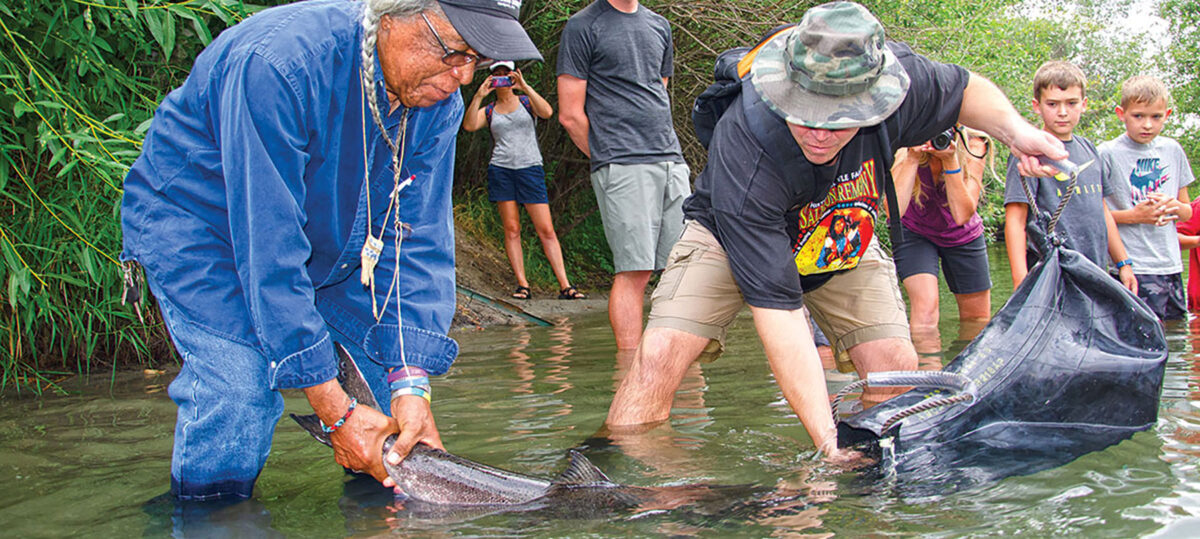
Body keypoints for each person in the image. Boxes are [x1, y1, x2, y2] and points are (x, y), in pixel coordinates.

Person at [604, 1, 1070, 459]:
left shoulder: (903, 80)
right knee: (658, 357)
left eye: (840, 118)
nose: (820, 132)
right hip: (729, 236)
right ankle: (617, 492)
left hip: (841, 230)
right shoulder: (745, 145)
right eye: (805, 111)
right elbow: (782, 316)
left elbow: (965, 90)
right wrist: (825, 441)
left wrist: (1016, 132)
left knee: (895, 370)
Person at [119, 0, 542, 501]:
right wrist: (335, 409)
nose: (463, 76)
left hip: (330, 243)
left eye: (477, 59)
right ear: (392, 14)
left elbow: (418, 241)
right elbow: (269, 249)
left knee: (390, 415)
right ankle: (205, 515)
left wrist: (412, 384)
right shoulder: (278, 65)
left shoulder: (438, 105)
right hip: (205, 232)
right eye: (454, 52)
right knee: (240, 394)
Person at [557, 0, 691, 350]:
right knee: (635, 271)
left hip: (670, 158)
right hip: (622, 162)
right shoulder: (584, 25)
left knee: (684, 268)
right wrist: (610, 156)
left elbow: (655, 91)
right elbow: (570, 114)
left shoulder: (660, 25)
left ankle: (674, 362)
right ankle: (630, 368)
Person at [1003, 61, 1137, 294]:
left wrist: (1123, 263)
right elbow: (1015, 218)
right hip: (1051, 271)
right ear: (1037, 106)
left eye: (1071, 103)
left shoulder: (1090, 149)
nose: (1062, 112)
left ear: (1083, 105)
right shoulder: (1029, 151)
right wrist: (1019, 281)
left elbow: (1102, 210)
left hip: (1095, 268)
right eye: (1053, 104)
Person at [461, 61, 587, 300]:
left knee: (546, 229)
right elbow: (469, 125)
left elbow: (548, 112)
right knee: (512, 229)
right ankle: (522, 284)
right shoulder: (489, 110)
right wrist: (478, 95)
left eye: (505, 73)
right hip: (501, 170)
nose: (501, 78)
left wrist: (525, 87)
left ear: (513, 75)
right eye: (496, 74)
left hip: (530, 168)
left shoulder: (527, 103)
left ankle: (565, 285)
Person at [891, 126, 995, 348]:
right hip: (915, 230)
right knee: (926, 309)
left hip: (963, 233)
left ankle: (968, 377)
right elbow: (892, 213)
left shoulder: (974, 144)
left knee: (976, 321)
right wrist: (912, 157)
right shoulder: (907, 139)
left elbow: (962, 215)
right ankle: (928, 375)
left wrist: (950, 161)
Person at [1101, 75, 1194, 320]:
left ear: (1167, 114)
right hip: (1131, 266)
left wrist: (1175, 207)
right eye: (1138, 116)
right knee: (1138, 338)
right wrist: (1133, 216)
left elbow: (1188, 210)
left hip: (1171, 265)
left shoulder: (1173, 150)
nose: (1147, 125)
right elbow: (1092, 214)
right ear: (1121, 114)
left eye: (1156, 117)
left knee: (1174, 334)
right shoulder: (1107, 153)